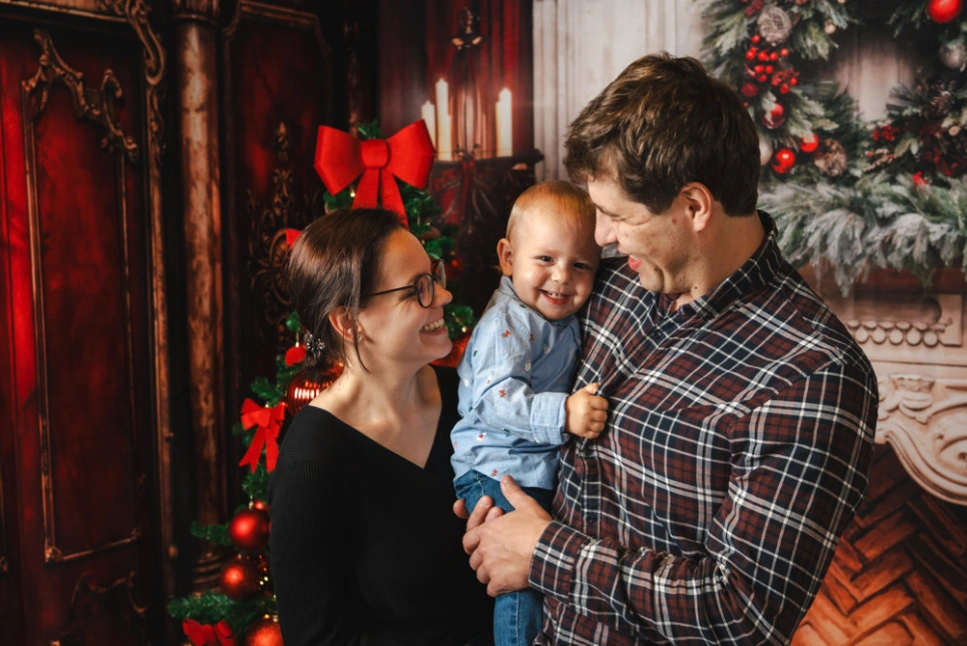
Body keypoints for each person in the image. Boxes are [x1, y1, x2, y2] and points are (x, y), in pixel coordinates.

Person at [456, 53, 879, 645]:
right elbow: (506, 362)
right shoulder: (613, 281)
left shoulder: (813, 376)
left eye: (615, 216)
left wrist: (544, 551)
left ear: (695, 207)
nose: (599, 237)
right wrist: (497, 498)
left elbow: (742, 615)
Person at [269, 207, 493, 646]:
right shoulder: (311, 466)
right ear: (349, 322)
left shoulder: (470, 398)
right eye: (417, 290)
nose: (444, 296)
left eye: (435, 275)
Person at [451, 181, 609, 646]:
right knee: (521, 582)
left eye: (580, 265)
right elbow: (496, 403)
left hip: (522, 467)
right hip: (497, 468)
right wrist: (565, 413)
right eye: (545, 259)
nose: (562, 276)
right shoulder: (508, 323)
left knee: (537, 574)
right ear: (507, 257)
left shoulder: (556, 315)